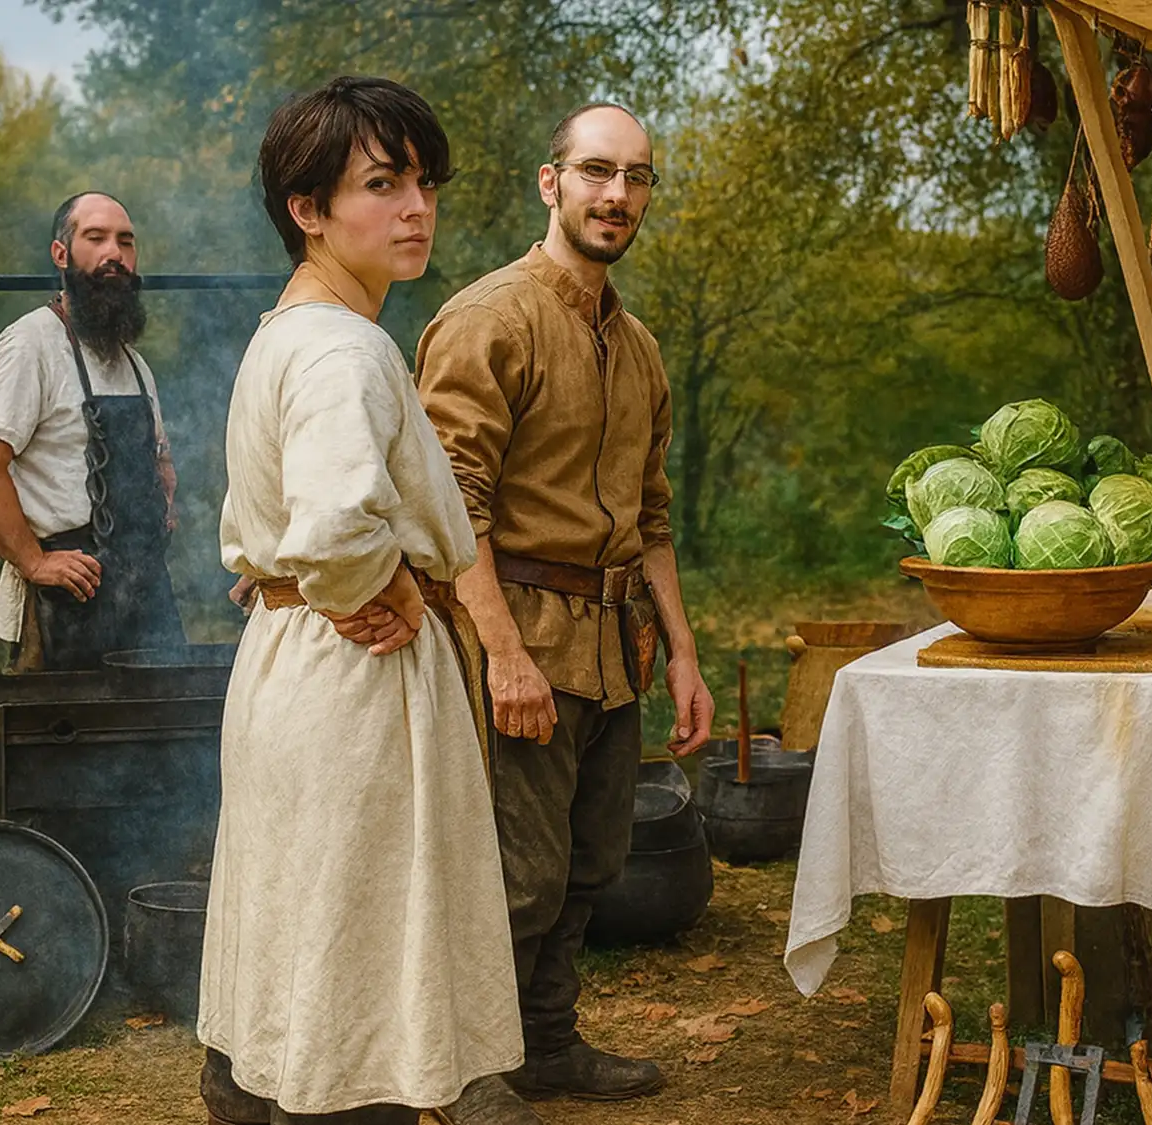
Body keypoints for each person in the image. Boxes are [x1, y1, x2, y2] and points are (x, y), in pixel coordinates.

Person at [198, 76, 537, 1125]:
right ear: (308, 210)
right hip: (350, 672)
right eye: (382, 185)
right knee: (349, 927)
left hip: (291, 662)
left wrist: (355, 574)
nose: (416, 208)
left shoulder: (287, 334)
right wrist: (388, 580)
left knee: (301, 910)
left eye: (423, 183)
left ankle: (255, 1089)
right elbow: (339, 527)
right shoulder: (343, 349)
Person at [415, 102, 714, 1102]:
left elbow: (651, 518)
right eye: (595, 171)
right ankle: (470, 1071)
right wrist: (502, 654)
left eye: (635, 177)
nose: (616, 195)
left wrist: (682, 654)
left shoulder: (640, 348)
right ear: (551, 183)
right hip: (516, 633)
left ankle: (546, 1046)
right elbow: (449, 510)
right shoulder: (486, 319)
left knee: (591, 864)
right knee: (515, 876)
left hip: (612, 647)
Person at [0, 192, 184, 671]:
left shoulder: (135, 365)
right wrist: (35, 562)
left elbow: (159, 458)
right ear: (61, 255)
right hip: (66, 596)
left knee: (162, 740)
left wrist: (162, 489)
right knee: (63, 742)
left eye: (125, 242)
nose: (113, 254)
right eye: (95, 238)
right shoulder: (28, 345)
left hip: (145, 598)